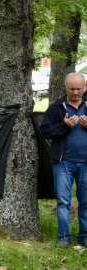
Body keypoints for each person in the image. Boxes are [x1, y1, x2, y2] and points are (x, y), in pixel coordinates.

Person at [41, 72, 87, 248]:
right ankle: (64, 237)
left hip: (85, 163)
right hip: (63, 162)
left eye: (79, 89)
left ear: (84, 87)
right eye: (72, 89)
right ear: (65, 87)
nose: (76, 92)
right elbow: (44, 131)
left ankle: (84, 236)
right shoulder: (56, 108)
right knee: (63, 202)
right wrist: (64, 126)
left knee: (85, 201)